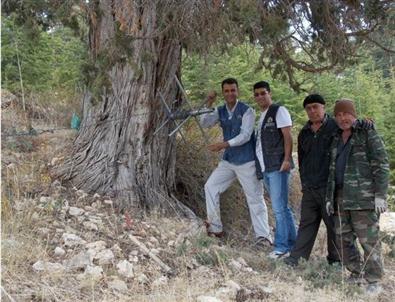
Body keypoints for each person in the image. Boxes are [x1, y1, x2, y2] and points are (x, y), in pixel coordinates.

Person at [325, 99, 389, 295]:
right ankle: (356, 272)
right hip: (340, 197)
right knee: (343, 239)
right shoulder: (335, 137)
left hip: (363, 198)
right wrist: (329, 197)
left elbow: (381, 164)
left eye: (347, 114)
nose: (343, 118)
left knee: (368, 240)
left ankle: (374, 280)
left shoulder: (367, 132)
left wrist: (380, 195)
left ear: (354, 115)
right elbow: (332, 170)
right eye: (339, 115)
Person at [200, 77, 272, 246]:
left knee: (255, 197)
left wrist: (223, 144)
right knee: (211, 187)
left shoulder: (247, 111)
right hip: (229, 160)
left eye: (233, 90)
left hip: (247, 161)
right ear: (223, 93)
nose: (230, 93)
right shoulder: (220, 110)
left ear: (237, 91)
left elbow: (246, 135)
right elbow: (204, 123)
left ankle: (264, 237)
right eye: (226, 91)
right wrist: (209, 103)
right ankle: (215, 228)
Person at [284, 94, 340, 266]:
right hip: (310, 188)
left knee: (333, 225)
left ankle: (335, 262)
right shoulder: (304, 133)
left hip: (330, 187)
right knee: (306, 223)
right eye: (309, 108)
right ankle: (296, 259)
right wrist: (305, 183)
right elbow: (302, 160)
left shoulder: (335, 127)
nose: (312, 111)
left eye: (316, 106)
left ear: (324, 107)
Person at [253, 81, 297, 259]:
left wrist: (287, 159)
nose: (260, 97)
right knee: (283, 208)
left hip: (278, 166)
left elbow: (287, 136)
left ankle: (281, 247)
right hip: (266, 167)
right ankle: (293, 245)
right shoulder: (261, 116)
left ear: (269, 93)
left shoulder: (279, 111)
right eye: (256, 94)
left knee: (279, 208)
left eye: (263, 93)